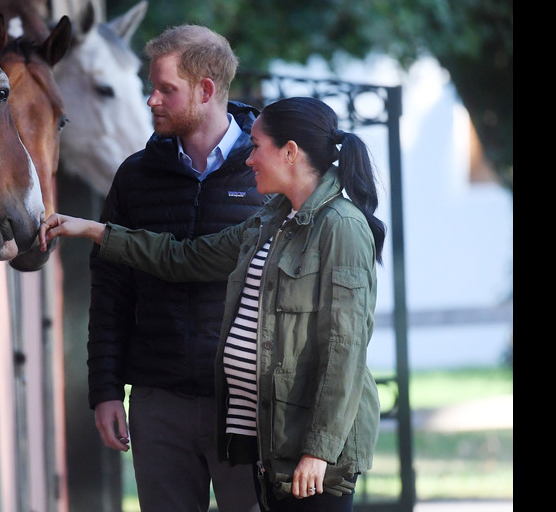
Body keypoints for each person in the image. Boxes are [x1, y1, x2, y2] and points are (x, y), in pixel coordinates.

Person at [41, 96, 384, 512]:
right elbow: (185, 257)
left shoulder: (342, 227)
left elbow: (344, 350)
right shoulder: (271, 219)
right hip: (270, 444)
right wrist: (97, 231)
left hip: (308, 454)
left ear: (289, 152)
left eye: (256, 146)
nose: (249, 159)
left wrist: (319, 451)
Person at [85, 24, 267, 512]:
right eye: (153, 87)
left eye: (166, 89)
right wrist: (104, 391)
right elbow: (110, 290)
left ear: (206, 91)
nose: (152, 101)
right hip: (158, 403)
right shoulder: (135, 176)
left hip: (248, 406)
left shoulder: (267, 172)